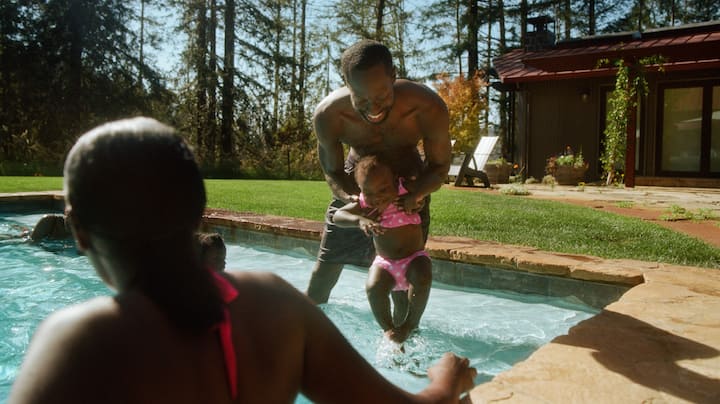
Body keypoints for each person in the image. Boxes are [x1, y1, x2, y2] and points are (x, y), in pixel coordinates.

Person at [9, 117, 475, 404]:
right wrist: (445, 382)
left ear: (79, 231)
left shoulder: (79, 341)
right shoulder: (276, 304)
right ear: (197, 209)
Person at [307, 39, 451, 305]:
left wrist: (417, 192)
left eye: (382, 96)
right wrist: (352, 199)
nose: (373, 109)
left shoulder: (427, 106)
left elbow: (440, 166)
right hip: (358, 185)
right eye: (361, 98)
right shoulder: (329, 114)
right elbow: (332, 171)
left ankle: (400, 339)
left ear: (393, 76)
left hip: (408, 189)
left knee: (403, 281)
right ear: (346, 83)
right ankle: (306, 328)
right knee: (325, 269)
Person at [332, 154, 431, 343]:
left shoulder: (404, 191)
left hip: (414, 258)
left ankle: (409, 325)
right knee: (373, 287)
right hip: (386, 264)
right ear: (361, 191)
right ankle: (389, 330)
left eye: (383, 189)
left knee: (423, 276)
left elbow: (424, 186)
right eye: (369, 192)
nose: (377, 197)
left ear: (395, 181)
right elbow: (338, 216)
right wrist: (359, 220)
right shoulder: (364, 205)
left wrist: (418, 198)